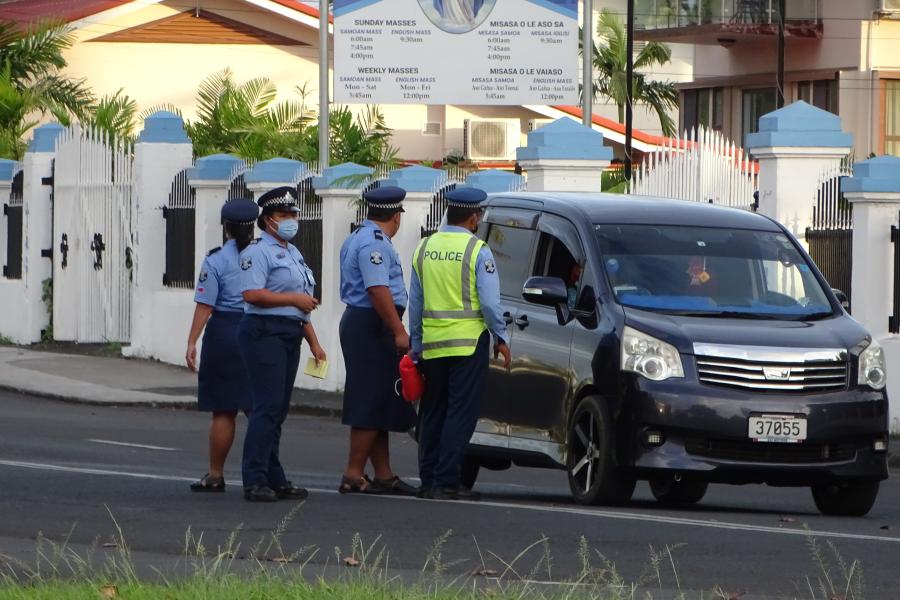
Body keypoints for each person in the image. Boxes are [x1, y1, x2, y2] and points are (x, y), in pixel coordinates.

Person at [409, 187, 511, 501]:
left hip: (433, 345)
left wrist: (416, 345)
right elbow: (490, 304)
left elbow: (416, 304)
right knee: (460, 413)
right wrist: (501, 337)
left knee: (433, 411)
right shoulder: (478, 250)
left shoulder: (424, 248)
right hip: (467, 344)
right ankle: (447, 481)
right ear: (473, 217)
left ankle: (428, 481)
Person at [238, 186, 327, 503]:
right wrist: (293, 299)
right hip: (264, 331)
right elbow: (252, 294)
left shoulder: (293, 253)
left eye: (293, 214)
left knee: (278, 409)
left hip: (290, 332)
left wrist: (314, 342)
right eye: (283, 214)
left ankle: (274, 477)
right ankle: (254, 478)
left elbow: (302, 306)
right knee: (266, 407)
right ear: (267, 219)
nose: (290, 219)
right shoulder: (257, 252)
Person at [337, 186, 418, 496]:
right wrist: (398, 330)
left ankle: (383, 474)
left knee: (380, 400)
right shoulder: (374, 243)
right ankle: (353, 473)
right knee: (369, 400)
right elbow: (377, 289)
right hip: (372, 323)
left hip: (367, 322)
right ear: (396, 216)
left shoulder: (357, 237)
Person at [186, 198, 259, 493]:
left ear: (225, 227)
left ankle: (216, 474)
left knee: (224, 409)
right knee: (258, 409)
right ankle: (262, 473)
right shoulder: (263, 255)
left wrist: (192, 341)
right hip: (256, 329)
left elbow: (205, 305)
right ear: (253, 227)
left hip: (224, 332)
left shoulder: (215, 260)